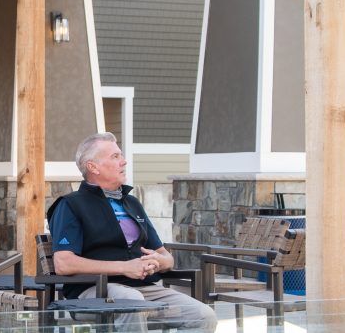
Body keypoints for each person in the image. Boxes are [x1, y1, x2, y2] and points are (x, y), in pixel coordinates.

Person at [48, 132, 218, 331]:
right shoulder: (71, 205)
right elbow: (63, 263)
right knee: (132, 303)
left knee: (202, 315)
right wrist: (124, 267)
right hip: (94, 290)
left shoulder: (131, 203)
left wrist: (158, 262)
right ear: (93, 167)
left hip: (143, 288)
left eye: (120, 155)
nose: (124, 161)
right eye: (115, 156)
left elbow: (166, 257)